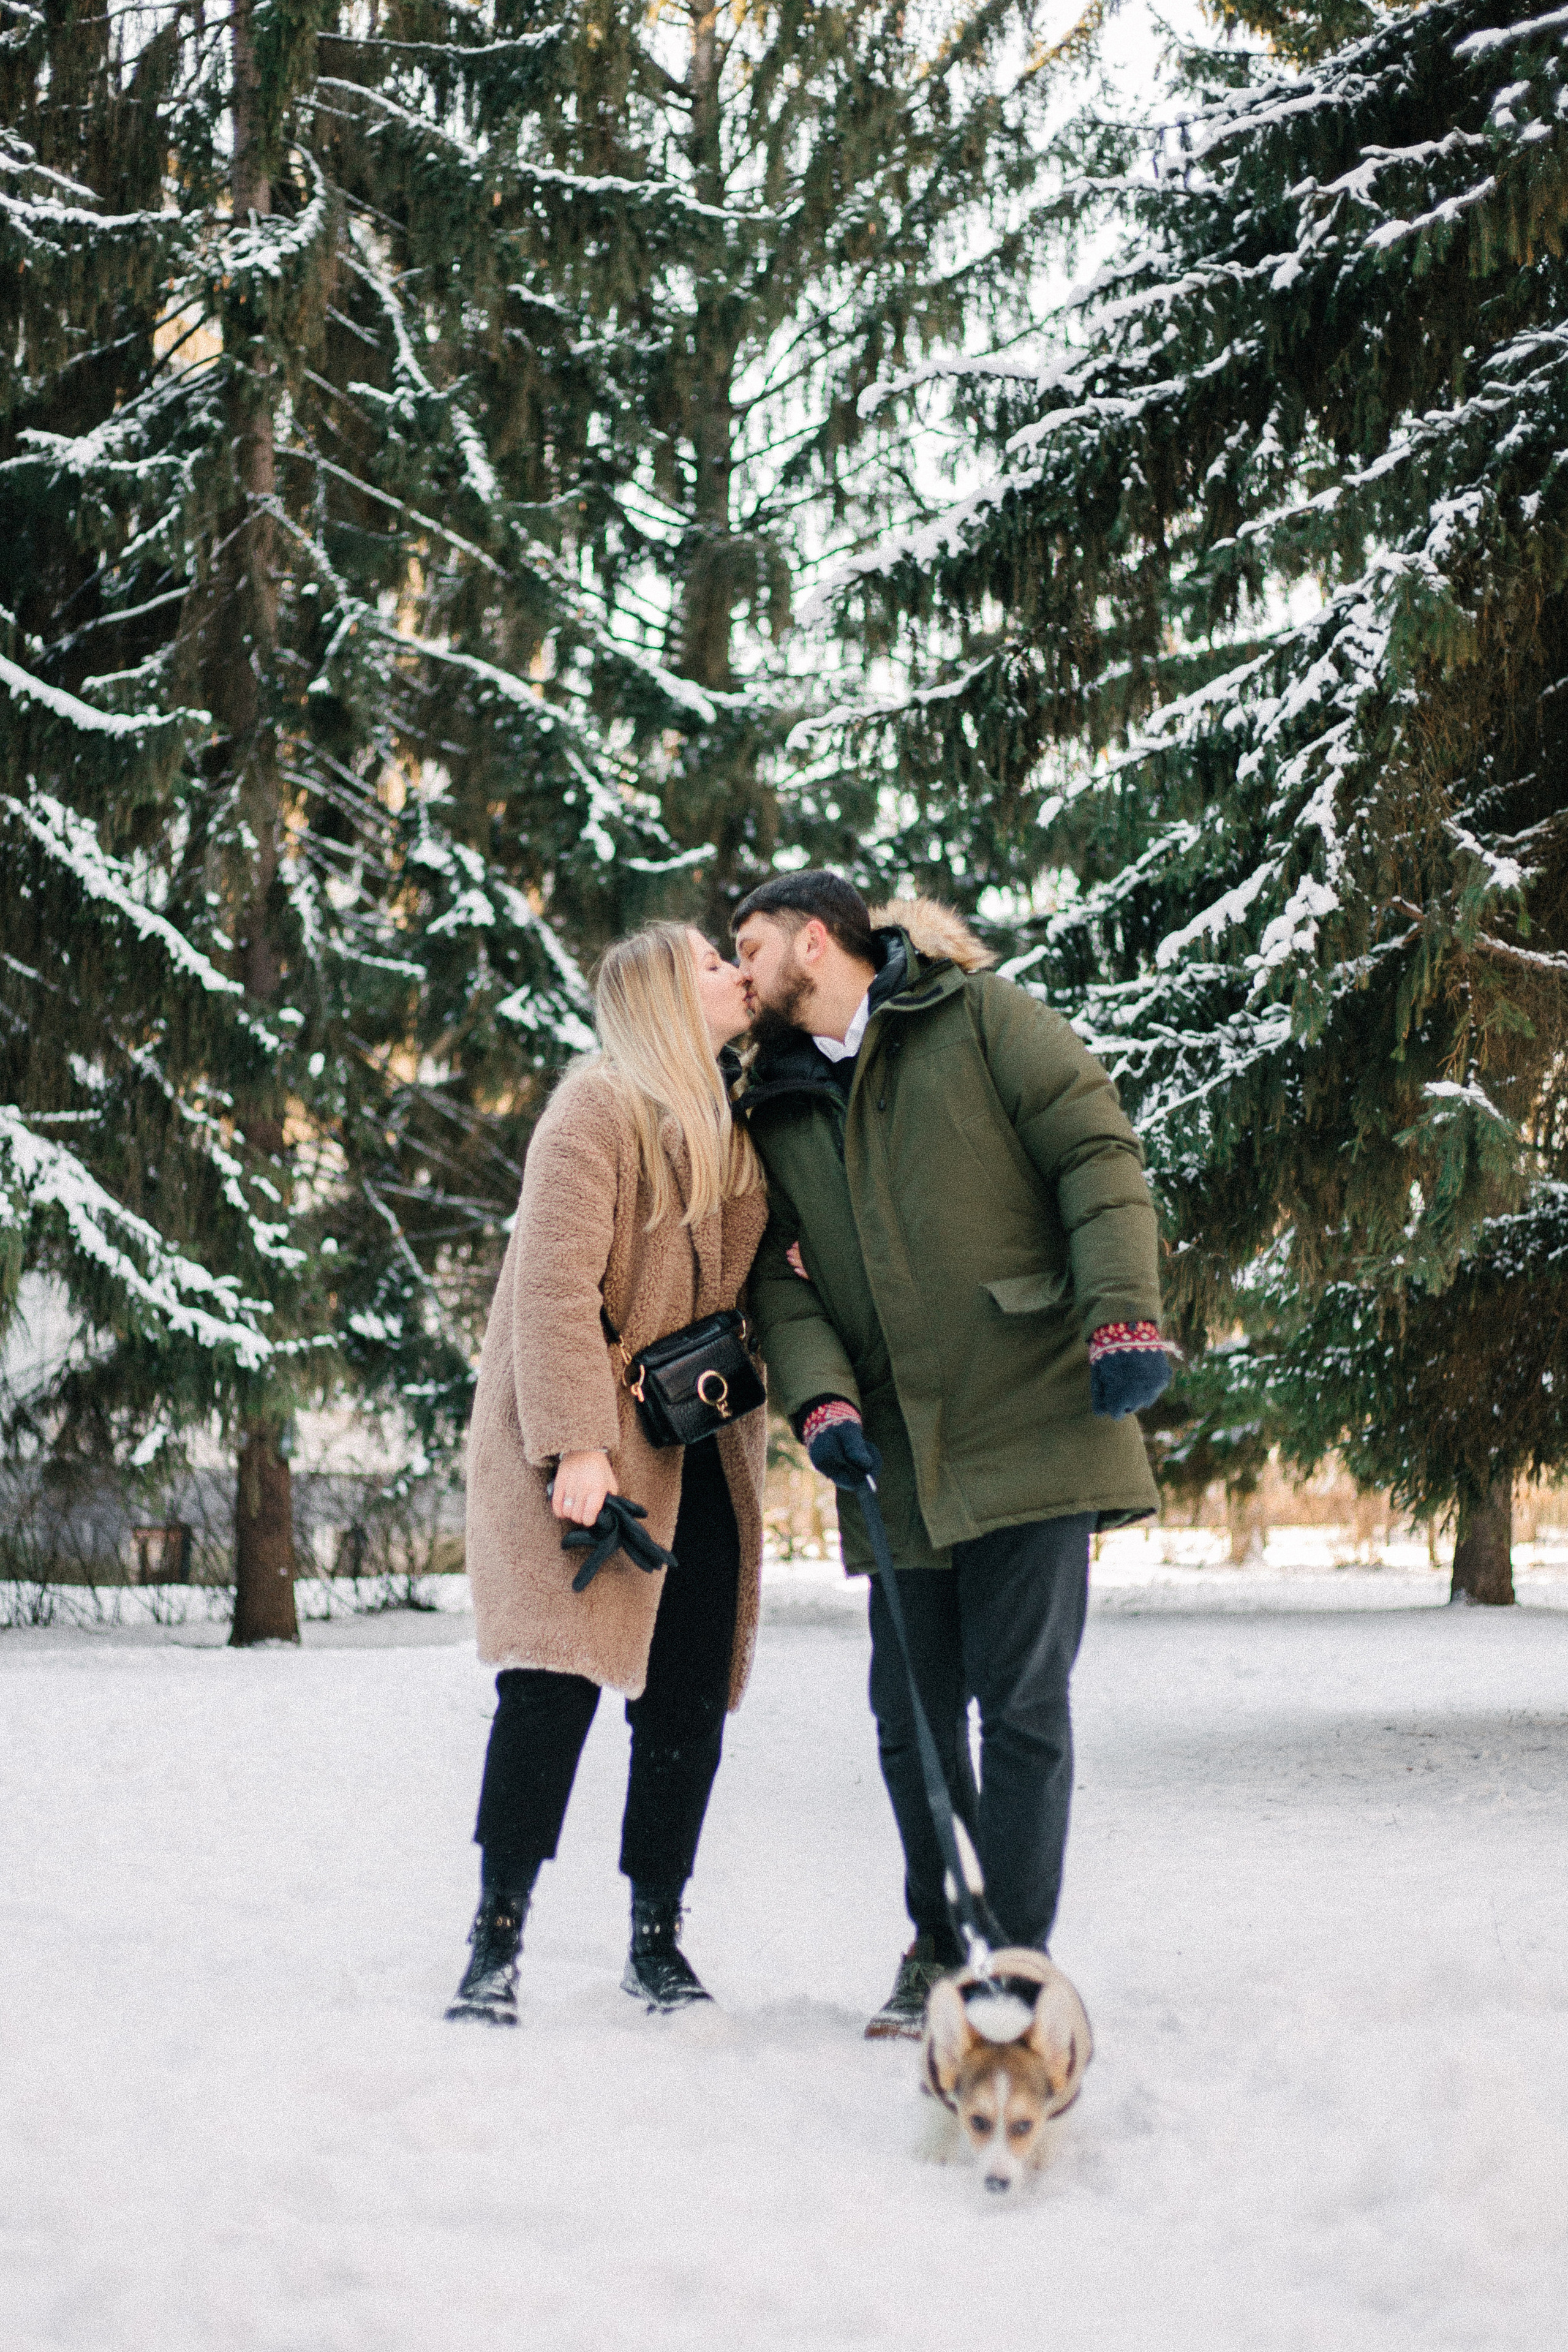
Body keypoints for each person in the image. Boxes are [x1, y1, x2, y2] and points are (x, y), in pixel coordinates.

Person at [733, 872, 1170, 2037]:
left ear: (813, 942)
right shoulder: (771, 1103)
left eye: (752, 947)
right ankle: (938, 1939)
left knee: (1021, 1705)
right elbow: (778, 1276)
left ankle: (1014, 1961)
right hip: (896, 1453)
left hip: (1031, 1415)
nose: (741, 973)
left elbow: (1094, 1149)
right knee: (911, 1717)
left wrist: (1122, 1313)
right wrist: (821, 1399)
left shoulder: (978, 1017)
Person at [448, 923, 768, 2025]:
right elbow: (551, 1289)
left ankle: (656, 1936)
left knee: (688, 1697)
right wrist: (577, 1445)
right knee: (551, 1684)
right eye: (712, 963)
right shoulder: (595, 1108)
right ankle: (495, 1938)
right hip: (585, 1450)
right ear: (662, 997)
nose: (736, 973)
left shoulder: (735, 1127)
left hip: (701, 1451)